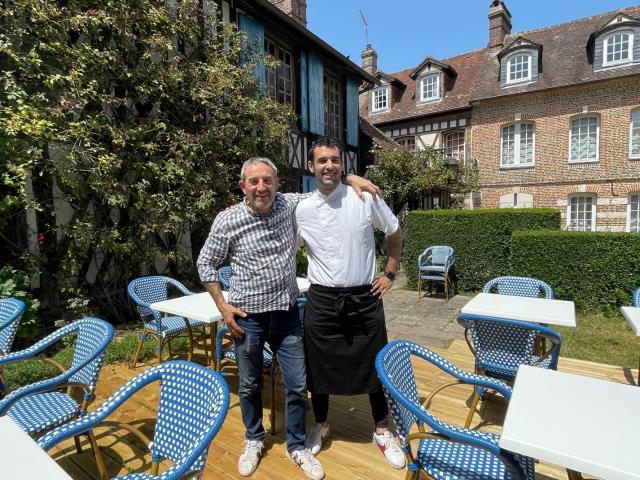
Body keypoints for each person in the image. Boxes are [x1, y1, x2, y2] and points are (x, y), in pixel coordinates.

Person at [196, 157, 378, 480]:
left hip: (286, 315)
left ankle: (297, 444)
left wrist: (351, 178)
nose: (261, 187)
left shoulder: (290, 204)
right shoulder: (227, 221)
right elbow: (205, 264)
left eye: (268, 180)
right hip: (246, 318)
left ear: (278, 183)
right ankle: (253, 438)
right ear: (243, 187)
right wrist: (223, 307)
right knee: (250, 384)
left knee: (297, 384)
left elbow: (326, 184)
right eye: (254, 181)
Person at [294, 138, 406, 469]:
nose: (329, 165)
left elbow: (395, 233)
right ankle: (323, 424)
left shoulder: (364, 197)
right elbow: (266, 211)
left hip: (364, 296)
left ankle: (382, 430)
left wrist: (390, 272)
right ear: (310, 167)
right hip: (322, 298)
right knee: (319, 366)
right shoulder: (301, 208)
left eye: (335, 160)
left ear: (342, 164)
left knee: (374, 364)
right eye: (322, 161)